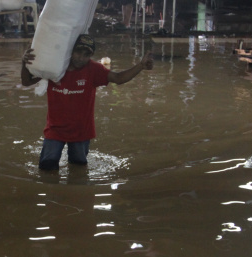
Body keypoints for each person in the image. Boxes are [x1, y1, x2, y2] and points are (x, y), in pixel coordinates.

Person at [21, 35, 154, 170]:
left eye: (86, 55)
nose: (81, 58)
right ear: (70, 51)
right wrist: (24, 63)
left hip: (81, 131)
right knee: (47, 167)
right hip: (55, 129)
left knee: (78, 168)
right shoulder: (56, 66)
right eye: (78, 52)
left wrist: (141, 66)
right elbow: (26, 82)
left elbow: (118, 78)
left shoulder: (94, 69)